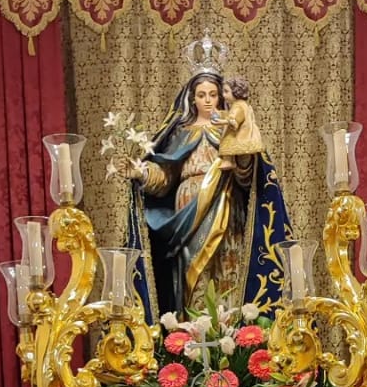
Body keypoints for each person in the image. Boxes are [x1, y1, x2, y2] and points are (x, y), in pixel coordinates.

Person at [115, 47, 291, 320]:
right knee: (193, 268)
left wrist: (244, 158)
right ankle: (192, 330)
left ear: (222, 95)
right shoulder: (181, 133)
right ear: (192, 98)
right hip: (188, 206)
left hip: (226, 202)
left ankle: (230, 331)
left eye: (213, 94)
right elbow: (166, 177)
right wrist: (141, 172)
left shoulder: (232, 129)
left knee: (227, 262)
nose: (207, 100)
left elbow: (248, 178)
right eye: (201, 95)